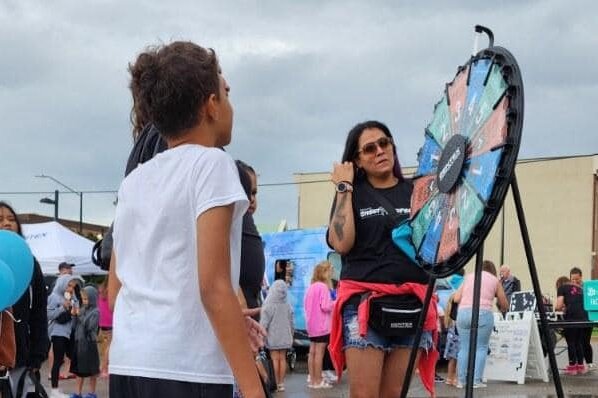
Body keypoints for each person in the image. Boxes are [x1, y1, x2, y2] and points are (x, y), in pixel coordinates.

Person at [107, 41, 265, 398]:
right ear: (211, 106)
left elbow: (116, 290)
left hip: (129, 363)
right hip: (188, 369)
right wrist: (254, 389)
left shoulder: (134, 182)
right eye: (226, 94)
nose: (230, 105)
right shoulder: (212, 164)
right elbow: (214, 287)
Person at [327, 120, 437, 398]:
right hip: (364, 304)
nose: (379, 151)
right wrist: (343, 185)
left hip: (411, 305)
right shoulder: (352, 193)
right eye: (369, 148)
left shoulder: (417, 191)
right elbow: (341, 243)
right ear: (357, 160)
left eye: (384, 143)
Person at [0, 202, 49, 398]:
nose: (6, 223)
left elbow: (39, 311)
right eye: (0, 219)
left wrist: (37, 356)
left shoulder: (29, 263)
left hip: (21, 360)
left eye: (11, 219)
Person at [454, 260, 509, 389]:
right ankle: (476, 381)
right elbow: (504, 303)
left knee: (464, 347)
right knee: (481, 347)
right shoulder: (495, 280)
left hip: (463, 314)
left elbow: (456, 298)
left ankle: (461, 381)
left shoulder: (468, 277)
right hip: (483, 314)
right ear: (493, 270)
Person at [236, 160, 265, 319]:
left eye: (254, 193)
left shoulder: (247, 222)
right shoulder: (233, 221)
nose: (251, 198)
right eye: (246, 191)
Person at [47, 275, 80, 398]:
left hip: (70, 332)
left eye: (73, 286)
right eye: (69, 285)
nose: (70, 289)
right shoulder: (54, 297)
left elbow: (76, 312)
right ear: (62, 284)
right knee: (58, 359)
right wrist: (63, 307)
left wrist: (75, 309)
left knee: (70, 357)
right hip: (58, 332)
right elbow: (49, 314)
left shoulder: (73, 297)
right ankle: (54, 390)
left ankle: (57, 389)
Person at [304, 261, 336, 389]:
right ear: (325, 273)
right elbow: (326, 306)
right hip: (322, 327)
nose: (331, 275)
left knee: (312, 353)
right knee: (319, 354)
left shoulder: (311, 287)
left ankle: (312, 380)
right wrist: (336, 302)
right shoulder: (323, 287)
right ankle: (318, 381)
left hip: (311, 326)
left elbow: (306, 306)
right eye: (330, 272)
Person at [260, 280, 294, 392]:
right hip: (285, 336)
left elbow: (263, 323)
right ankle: (281, 383)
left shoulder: (268, 304)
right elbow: (291, 322)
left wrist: (261, 335)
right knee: (282, 359)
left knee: (275, 359)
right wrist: (291, 334)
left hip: (272, 336)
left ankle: (275, 382)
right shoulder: (288, 304)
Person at [556, 268, 589, 375]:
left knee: (571, 342)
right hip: (584, 317)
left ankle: (572, 367)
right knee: (578, 342)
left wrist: (557, 309)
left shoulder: (561, 288)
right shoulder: (580, 288)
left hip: (572, 317)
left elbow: (559, 306)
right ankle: (580, 366)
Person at [69, 286, 100, 398]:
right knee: (78, 371)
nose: (84, 301)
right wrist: (73, 315)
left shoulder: (96, 312)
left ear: (92, 298)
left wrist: (79, 315)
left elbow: (89, 327)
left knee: (92, 370)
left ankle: (92, 393)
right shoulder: (82, 309)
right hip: (79, 343)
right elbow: (74, 326)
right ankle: (78, 393)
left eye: (86, 299)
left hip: (89, 344)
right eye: (83, 299)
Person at [569, 267, 594, 371]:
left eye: (577, 279)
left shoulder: (586, 288)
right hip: (574, 318)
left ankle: (589, 362)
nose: (575, 281)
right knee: (575, 342)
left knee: (585, 341)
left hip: (587, 318)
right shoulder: (569, 289)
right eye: (572, 279)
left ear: (581, 277)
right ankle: (578, 363)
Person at [96, 278, 112, 378]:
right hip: (111, 324)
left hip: (102, 325)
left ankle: (102, 367)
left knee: (103, 348)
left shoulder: (99, 296)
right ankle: (104, 368)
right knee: (109, 348)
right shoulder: (110, 295)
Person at [443, 293, 460, 387]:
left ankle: (449, 378)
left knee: (452, 359)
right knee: (458, 359)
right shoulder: (458, 313)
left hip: (451, 336)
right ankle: (456, 379)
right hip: (458, 335)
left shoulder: (449, 313)